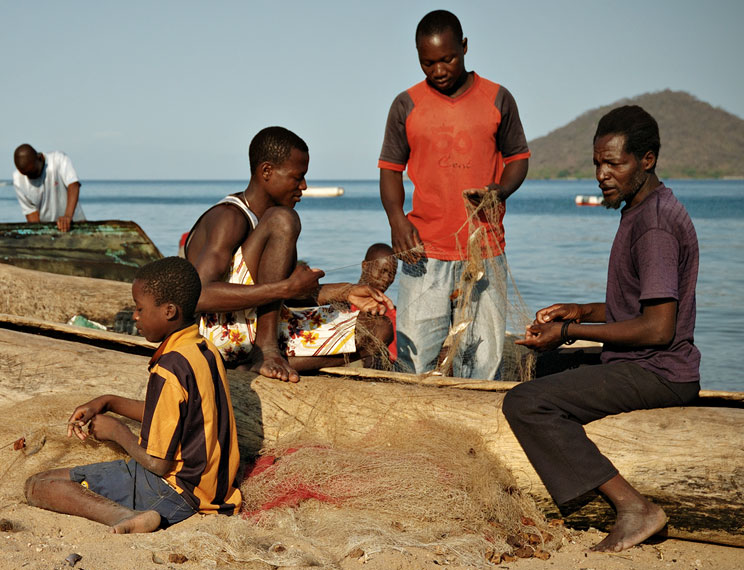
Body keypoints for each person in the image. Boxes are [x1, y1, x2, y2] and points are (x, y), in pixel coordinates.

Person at [503, 106, 699, 552]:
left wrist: (572, 331)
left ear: (647, 160)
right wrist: (582, 310)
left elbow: (657, 329)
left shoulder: (653, 225)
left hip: (660, 370)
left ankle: (634, 508)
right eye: (597, 163)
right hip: (645, 360)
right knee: (541, 364)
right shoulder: (643, 207)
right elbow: (637, 305)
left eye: (615, 163)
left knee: (526, 403)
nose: (602, 174)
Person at [23, 257, 241, 533]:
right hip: (209, 489)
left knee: (39, 485)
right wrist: (108, 401)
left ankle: (124, 517)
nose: (135, 316)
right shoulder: (202, 349)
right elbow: (170, 414)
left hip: (172, 491)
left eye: (140, 308)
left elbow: (158, 465)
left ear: (169, 311)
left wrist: (117, 431)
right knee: (57, 479)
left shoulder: (169, 367)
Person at [379, 10, 530, 380]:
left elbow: (518, 160)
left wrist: (501, 190)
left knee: (482, 358)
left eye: (447, 58)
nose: (439, 69)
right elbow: (390, 171)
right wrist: (397, 221)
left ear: (464, 47)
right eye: (427, 62)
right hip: (423, 250)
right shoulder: (406, 104)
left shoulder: (498, 98)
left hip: (485, 248)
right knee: (415, 355)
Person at [184, 126, 394, 383]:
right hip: (214, 336)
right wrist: (283, 289)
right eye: (297, 177)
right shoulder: (230, 217)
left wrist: (346, 291)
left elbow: (279, 291)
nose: (304, 186)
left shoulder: (269, 223)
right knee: (284, 219)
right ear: (267, 172)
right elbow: (196, 295)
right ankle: (266, 352)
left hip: (256, 333)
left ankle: (254, 359)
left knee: (378, 329)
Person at [12, 143, 85, 230]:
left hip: (75, 224)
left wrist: (67, 216)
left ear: (40, 158)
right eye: (26, 174)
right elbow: (31, 214)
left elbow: (73, 185)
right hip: (49, 231)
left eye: (33, 172)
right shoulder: (18, 180)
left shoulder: (59, 159)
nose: (31, 177)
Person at [359, 243, 399, 363]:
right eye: (383, 271)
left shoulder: (392, 309)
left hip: (395, 364)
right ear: (365, 266)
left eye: (392, 274)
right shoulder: (346, 305)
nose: (387, 278)